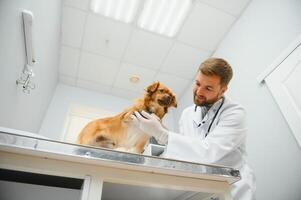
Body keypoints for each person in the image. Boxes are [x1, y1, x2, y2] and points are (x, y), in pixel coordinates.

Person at [131, 57, 256, 200]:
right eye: (197, 83)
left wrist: (164, 135)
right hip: (201, 188)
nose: (199, 92)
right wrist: (161, 132)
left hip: (233, 189)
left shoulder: (235, 113)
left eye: (208, 88)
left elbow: (209, 152)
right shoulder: (187, 114)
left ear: (223, 90)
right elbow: (189, 153)